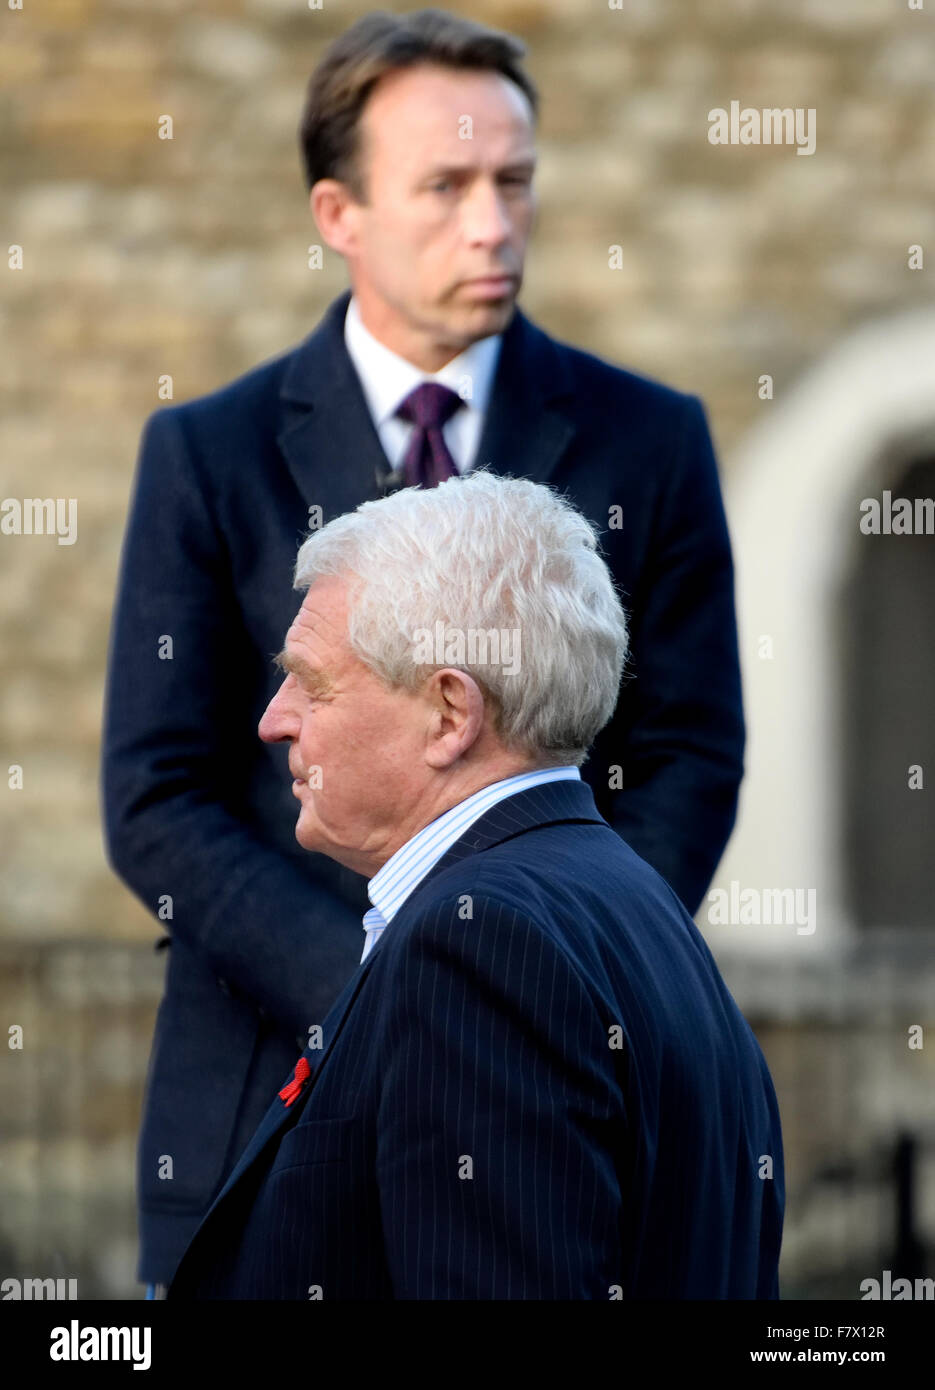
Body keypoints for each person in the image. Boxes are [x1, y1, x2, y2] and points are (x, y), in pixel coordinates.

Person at [101, 8, 745, 1296]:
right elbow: (157, 796)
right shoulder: (209, 454)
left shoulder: (647, 439)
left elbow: (685, 756)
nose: (492, 222)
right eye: (445, 186)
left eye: (513, 181)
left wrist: (549, 975)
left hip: (553, 1076)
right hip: (259, 1087)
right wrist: (386, 983)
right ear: (339, 213)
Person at [166, 470, 783, 1300]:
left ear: (450, 715)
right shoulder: (638, 911)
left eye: (312, 683)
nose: (275, 720)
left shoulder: (477, 943)